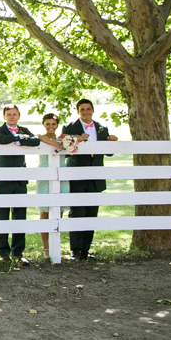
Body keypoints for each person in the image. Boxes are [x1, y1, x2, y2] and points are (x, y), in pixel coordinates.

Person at [62, 98, 118, 262]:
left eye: (88, 109)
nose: (86, 112)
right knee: (77, 212)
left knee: (92, 213)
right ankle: (76, 250)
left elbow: (108, 153)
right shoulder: (70, 127)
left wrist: (111, 141)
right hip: (77, 174)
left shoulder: (102, 128)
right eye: (82, 110)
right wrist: (77, 138)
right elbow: (65, 148)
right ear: (78, 111)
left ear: (93, 110)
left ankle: (86, 249)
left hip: (95, 176)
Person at [0, 105, 40, 265]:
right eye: (9, 114)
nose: (12, 117)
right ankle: (4, 251)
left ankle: (18, 251)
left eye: (14, 114)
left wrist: (22, 136)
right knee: (3, 215)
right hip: (3, 178)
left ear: (19, 115)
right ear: (4, 116)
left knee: (20, 214)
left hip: (20, 178)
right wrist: (19, 138)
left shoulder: (25, 129)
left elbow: (35, 141)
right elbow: (1, 139)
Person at [37, 113, 71, 260]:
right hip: (45, 175)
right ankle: (46, 247)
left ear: (57, 125)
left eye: (53, 124)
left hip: (61, 176)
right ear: (44, 124)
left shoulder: (65, 139)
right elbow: (42, 137)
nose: (50, 127)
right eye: (48, 124)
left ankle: (55, 245)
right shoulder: (41, 138)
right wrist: (59, 144)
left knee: (59, 212)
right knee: (44, 213)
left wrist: (64, 141)